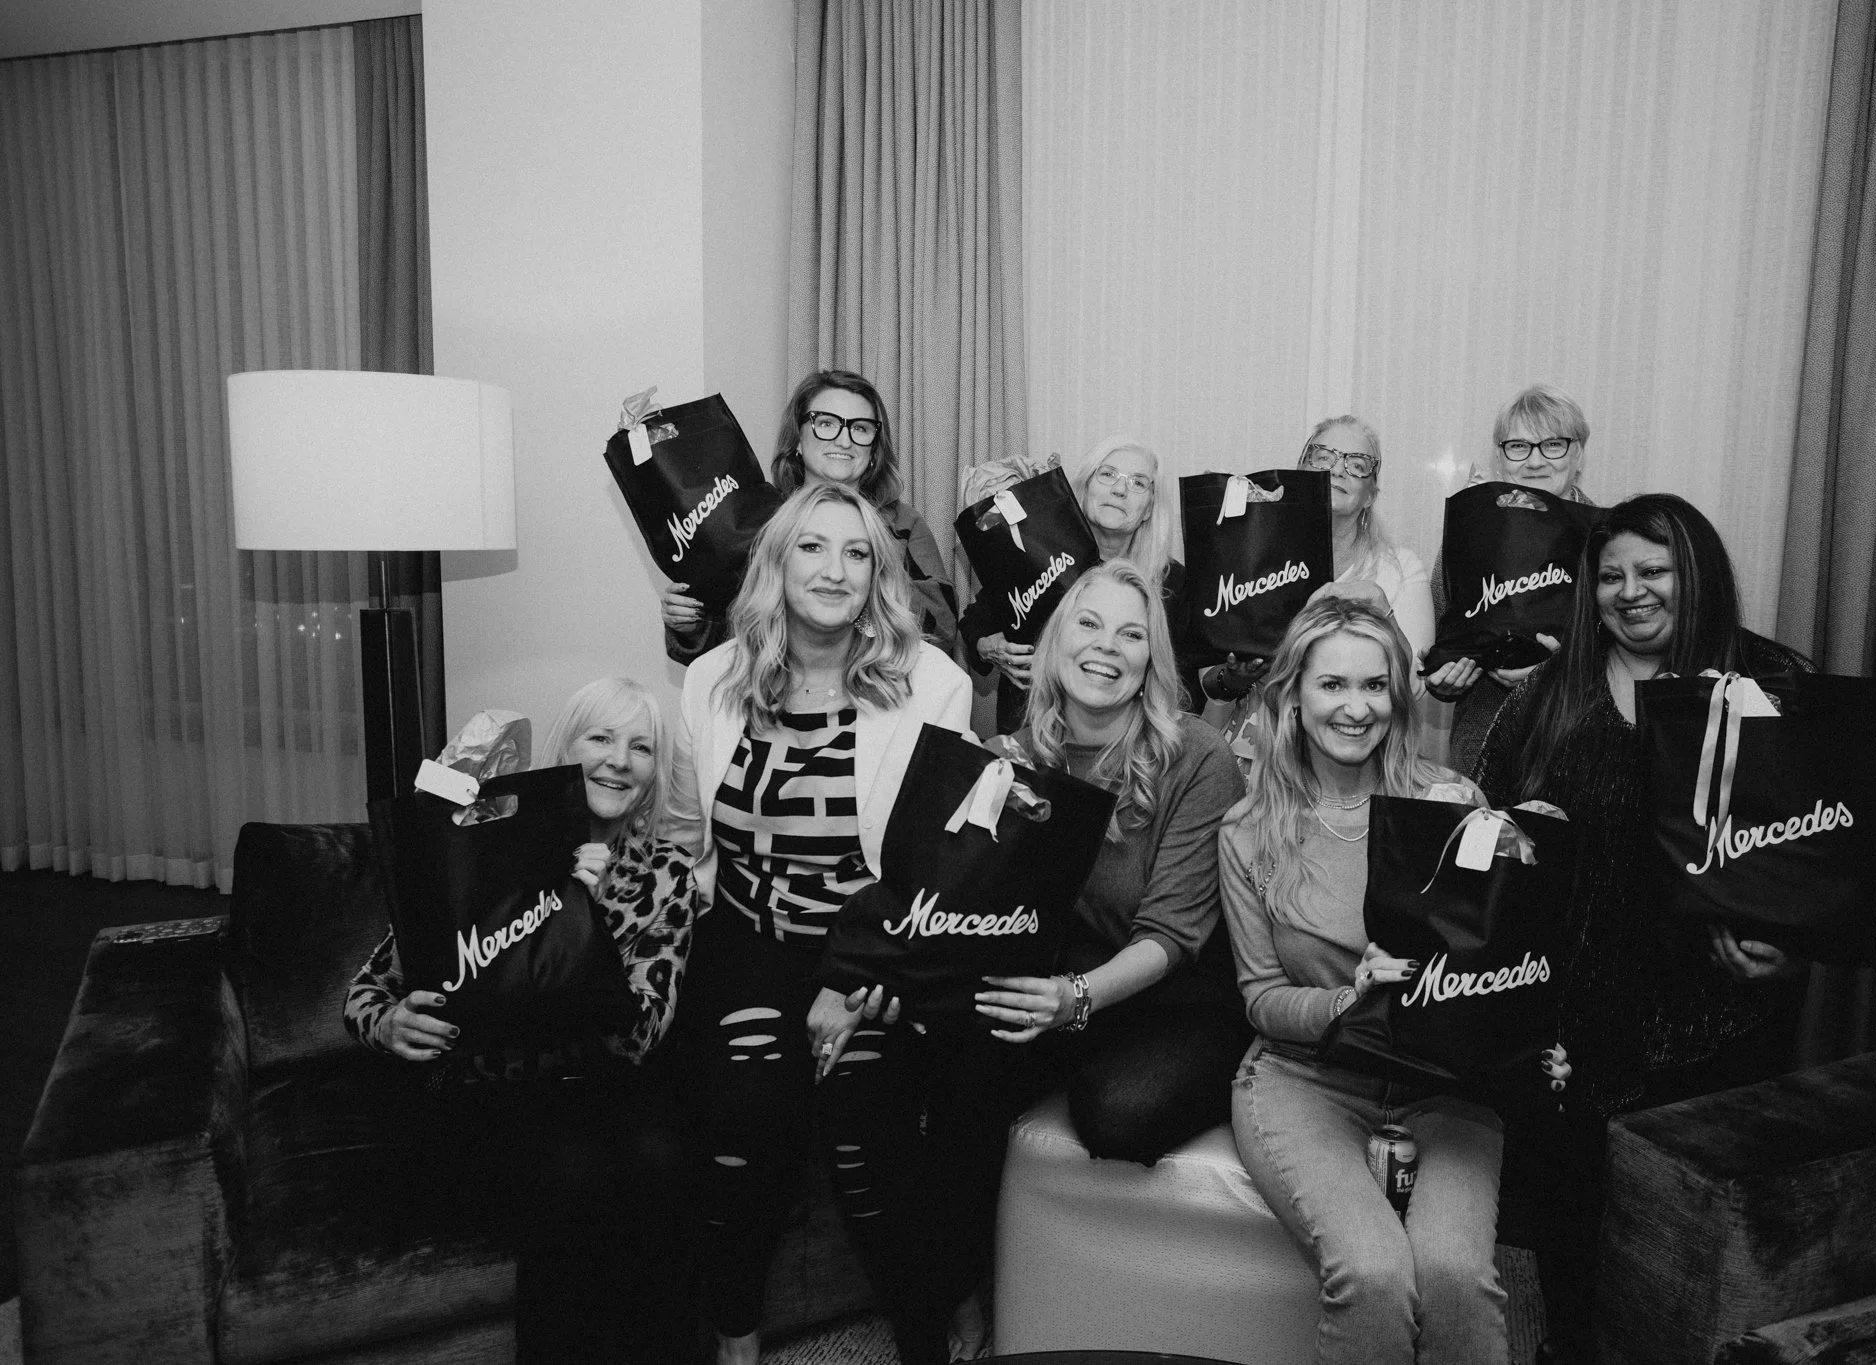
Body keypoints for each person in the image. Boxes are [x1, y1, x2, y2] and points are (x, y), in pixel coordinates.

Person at [815, 559, 1247, 1365]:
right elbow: (941, 902)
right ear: (1053, 643)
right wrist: (871, 988)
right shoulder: (1002, 756)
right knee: (890, 1080)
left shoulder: (1197, 754)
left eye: (1130, 634)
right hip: (1036, 976)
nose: (1106, 648)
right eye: (1088, 625)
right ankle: (934, 1314)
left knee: (1117, 1113)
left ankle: (950, 1289)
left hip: (1167, 986)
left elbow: (1175, 932)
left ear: (1153, 657)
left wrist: (1073, 1000)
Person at [1473, 492, 1809, 1360]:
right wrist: (1508, 837)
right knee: (1572, 1276)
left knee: (1696, 1289)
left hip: (1715, 1043)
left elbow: (1825, 857)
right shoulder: (1546, 701)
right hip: (1568, 1044)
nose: (1630, 591)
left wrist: (1788, 950)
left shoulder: (1776, 688)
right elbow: (1477, 850)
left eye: (1652, 570)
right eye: (1611, 575)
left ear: (1694, 573)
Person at [662, 480, 972, 1365]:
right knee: (745, 1114)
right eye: (812, 547)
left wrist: (851, 984)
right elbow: (688, 836)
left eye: (857, 552)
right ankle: (738, 1337)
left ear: (878, 574)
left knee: (865, 1129)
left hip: (872, 946)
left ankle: (924, 1338)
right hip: (747, 936)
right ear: (777, 562)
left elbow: (928, 867)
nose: (834, 570)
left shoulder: (931, 687)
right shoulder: (713, 678)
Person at [1219, 593, 1568, 1365]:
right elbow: (1261, 997)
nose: (1355, 707)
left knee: (1453, 1274)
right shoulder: (1251, 829)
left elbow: (1507, 966)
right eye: (1332, 684)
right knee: (1374, 1273)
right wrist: (1351, 998)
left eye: (1374, 685)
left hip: (1445, 1086)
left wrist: (1541, 1034)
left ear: (1399, 695)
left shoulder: (1453, 805)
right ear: (1292, 694)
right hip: (1306, 1078)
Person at [344, 677, 695, 1363]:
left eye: (641, 747)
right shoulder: (488, 855)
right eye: (600, 738)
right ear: (564, 756)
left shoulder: (668, 876)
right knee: (575, 1177)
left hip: (605, 1081)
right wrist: (390, 1024)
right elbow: (366, 988)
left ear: (653, 777)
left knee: (663, 1162)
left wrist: (578, 916)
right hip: (491, 1090)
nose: (620, 760)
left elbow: (643, 1031)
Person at [660, 368, 959, 665]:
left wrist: (860, 592)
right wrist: (690, 626)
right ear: (798, 441)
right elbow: (728, 646)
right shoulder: (757, 523)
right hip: (774, 696)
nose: (844, 441)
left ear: (874, 450)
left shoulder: (903, 524)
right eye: (826, 423)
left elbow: (943, 628)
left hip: (878, 694)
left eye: (861, 428)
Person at [1201, 416, 1431, 757]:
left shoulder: (1399, 570)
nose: (1337, 470)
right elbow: (1208, 678)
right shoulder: (1249, 555)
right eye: (1323, 457)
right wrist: (1236, 678)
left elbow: (1412, 688)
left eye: (1357, 464)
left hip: (1356, 759)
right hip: (1258, 753)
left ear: (1371, 495)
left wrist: (1384, 610)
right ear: (1297, 473)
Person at [964, 435, 1198, 731]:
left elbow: (1182, 682)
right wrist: (990, 646)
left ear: (1149, 509)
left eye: (1138, 482)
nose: (1119, 490)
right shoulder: (1039, 554)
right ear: (1084, 489)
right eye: (1108, 474)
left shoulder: (1171, 582)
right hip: (1034, 729)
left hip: (1130, 742)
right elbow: (975, 623)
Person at [1424, 384, 1597, 774]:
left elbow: (1633, 655)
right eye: (1518, 446)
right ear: (1500, 458)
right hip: (1484, 747)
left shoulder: (1608, 539)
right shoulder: (1471, 533)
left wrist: (1562, 670)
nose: (1535, 461)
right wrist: (1444, 680)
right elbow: (1447, 632)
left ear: (1579, 454)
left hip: (1578, 749)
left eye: (1553, 444)